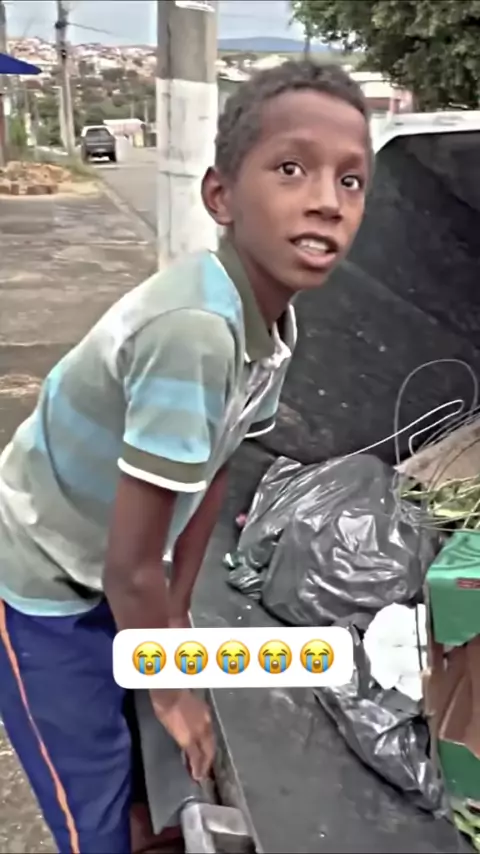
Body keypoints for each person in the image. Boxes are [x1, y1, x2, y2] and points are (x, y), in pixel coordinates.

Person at [0, 60, 372, 854]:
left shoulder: (270, 325)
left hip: (109, 563)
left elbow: (214, 470)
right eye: (291, 169)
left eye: (351, 181)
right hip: (37, 576)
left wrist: (172, 622)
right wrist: (171, 687)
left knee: (141, 773)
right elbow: (129, 563)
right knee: (91, 803)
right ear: (220, 197)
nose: (326, 200)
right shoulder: (195, 329)